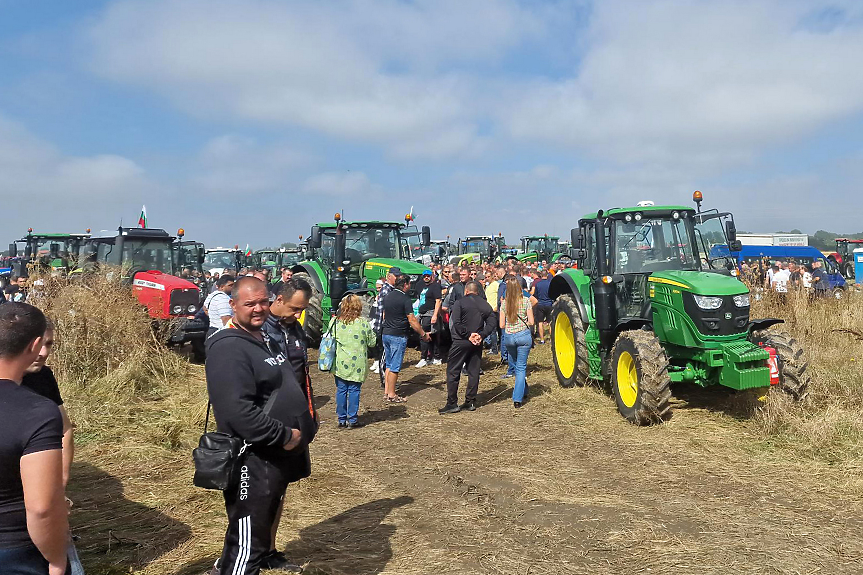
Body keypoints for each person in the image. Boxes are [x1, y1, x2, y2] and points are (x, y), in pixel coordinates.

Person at [205, 277, 309, 575]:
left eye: (263, 301)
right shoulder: (228, 348)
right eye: (250, 303)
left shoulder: (262, 337)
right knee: (246, 547)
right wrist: (284, 434)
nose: (258, 308)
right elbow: (236, 413)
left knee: (257, 536)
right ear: (233, 305)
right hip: (254, 458)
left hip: (274, 455)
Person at [0, 302, 68, 575]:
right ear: (34, 344)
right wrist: (56, 560)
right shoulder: (36, 412)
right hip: (13, 550)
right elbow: (41, 508)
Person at [261, 277, 315, 571]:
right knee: (264, 489)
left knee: (280, 487)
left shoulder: (294, 328)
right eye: (295, 308)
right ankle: (252, 550)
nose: (298, 314)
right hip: (269, 423)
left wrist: (308, 415)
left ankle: (269, 548)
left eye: (302, 310)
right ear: (278, 299)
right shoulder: (259, 330)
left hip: (294, 420)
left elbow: (301, 373)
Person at [21, 320, 83, 574]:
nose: (44, 353)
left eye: (49, 344)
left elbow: (65, 428)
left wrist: (59, 483)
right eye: (38, 345)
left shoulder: (43, 377)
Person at [439, 281, 495, 414]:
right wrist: (481, 335)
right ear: (477, 291)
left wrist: (468, 334)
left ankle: (452, 403)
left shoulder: (460, 302)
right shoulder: (484, 304)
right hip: (476, 342)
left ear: (466, 291)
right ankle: (470, 401)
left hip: (461, 341)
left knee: (453, 371)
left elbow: (456, 322)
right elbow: (492, 321)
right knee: (473, 371)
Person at [328, 294, 375, 428]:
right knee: (354, 390)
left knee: (341, 390)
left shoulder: (335, 322)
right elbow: (372, 343)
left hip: (340, 362)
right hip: (358, 363)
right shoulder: (363, 323)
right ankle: (352, 419)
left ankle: (341, 419)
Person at [382, 274, 429, 403]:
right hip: (398, 335)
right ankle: (392, 394)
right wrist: (423, 334)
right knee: (395, 366)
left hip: (386, 333)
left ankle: (387, 391)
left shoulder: (388, 296)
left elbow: (384, 315)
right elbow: (412, 320)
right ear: (405, 285)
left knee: (389, 364)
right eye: (409, 284)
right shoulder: (405, 298)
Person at [501, 277, 535, 408]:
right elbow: (532, 322)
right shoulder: (526, 301)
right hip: (523, 336)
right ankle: (517, 398)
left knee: (517, 366)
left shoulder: (504, 304)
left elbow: (501, 324)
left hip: (509, 337)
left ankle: (523, 391)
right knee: (521, 367)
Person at [415, 270, 442, 368]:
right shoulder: (421, 286)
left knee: (424, 334)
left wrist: (435, 315)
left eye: (428, 276)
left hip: (429, 313)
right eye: (425, 276)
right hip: (421, 313)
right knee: (431, 336)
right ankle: (434, 357)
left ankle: (424, 358)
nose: (426, 277)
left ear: (432, 277)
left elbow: (438, 301)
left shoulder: (435, 286)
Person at [531, 270, 553, 344]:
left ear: (541, 275)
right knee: (550, 322)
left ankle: (542, 339)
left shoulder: (538, 284)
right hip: (549, 304)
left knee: (540, 322)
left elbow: (535, 294)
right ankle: (551, 339)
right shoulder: (550, 283)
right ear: (547, 275)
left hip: (540, 304)